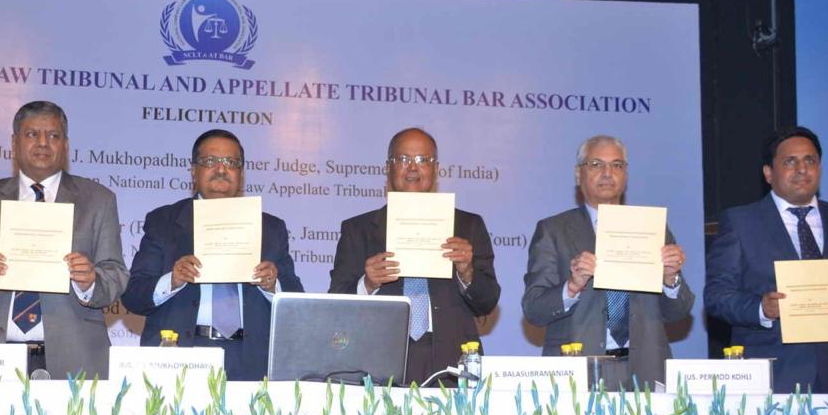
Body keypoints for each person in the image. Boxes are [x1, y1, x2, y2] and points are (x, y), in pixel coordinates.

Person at [0, 101, 128, 379]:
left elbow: (116, 275)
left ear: (66, 145)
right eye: (32, 134)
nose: (43, 143)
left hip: (75, 357)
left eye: (53, 135)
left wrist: (91, 282)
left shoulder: (98, 200)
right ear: (14, 143)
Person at [705, 126, 828, 393]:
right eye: (790, 162)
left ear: (820, 168)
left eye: (810, 160)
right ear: (768, 173)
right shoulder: (741, 222)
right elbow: (717, 296)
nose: (802, 169)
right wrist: (761, 309)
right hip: (771, 375)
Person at [121, 129, 302, 381]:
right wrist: (172, 280)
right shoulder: (164, 222)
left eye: (231, 162)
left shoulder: (271, 228)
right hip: (182, 357)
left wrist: (273, 286)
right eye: (210, 161)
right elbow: (133, 297)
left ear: (241, 174)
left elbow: (297, 304)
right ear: (193, 171)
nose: (221, 169)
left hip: (252, 361)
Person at [328, 127, 499, 385]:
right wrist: (367, 284)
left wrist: (467, 272)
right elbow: (335, 305)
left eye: (422, 160)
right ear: (388, 167)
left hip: (452, 360)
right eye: (403, 159)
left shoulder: (468, 226)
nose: (412, 167)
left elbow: (487, 302)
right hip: (378, 360)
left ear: (436, 169)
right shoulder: (358, 229)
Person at [521, 135, 693, 388]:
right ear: (578, 174)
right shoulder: (553, 230)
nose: (607, 173)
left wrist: (670, 279)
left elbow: (679, 311)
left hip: (646, 370)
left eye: (617, 165)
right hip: (578, 369)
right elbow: (534, 310)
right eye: (596, 164)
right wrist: (572, 286)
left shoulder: (651, 228)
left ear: (626, 174)